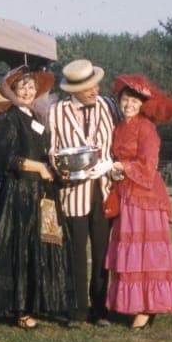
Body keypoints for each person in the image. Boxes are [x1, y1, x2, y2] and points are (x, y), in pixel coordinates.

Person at [0, 65, 75, 329]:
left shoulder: (37, 119)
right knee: (22, 249)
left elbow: (44, 154)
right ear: (12, 91)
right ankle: (21, 309)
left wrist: (56, 169)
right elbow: (7, 159)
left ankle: (39, 303)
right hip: (20, 194)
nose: (27, 91)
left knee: (44, 246)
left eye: (31, 87)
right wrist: (40, 168)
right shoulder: (6, 120)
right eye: (22, 87)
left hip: (43, 192)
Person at [104, 74, 172, 331]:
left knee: (145, 254)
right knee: (131, 254)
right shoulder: (120, 126)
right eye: (125, 99)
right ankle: (137, 305)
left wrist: (122, 166)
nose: (128, 104)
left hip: (145, 198)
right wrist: (117, 171)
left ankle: (148, 308)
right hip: (126, 195)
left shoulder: (146, 128)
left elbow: (148, 168)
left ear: (142, 105)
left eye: (134, 101)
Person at [48, 59, 120, 326]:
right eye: (88, 87)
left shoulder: (110, 106)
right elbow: (52, 151)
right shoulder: (56, 112)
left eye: (96, 84)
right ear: (73, 90)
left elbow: (119, 144)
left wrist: (110, 166)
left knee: (102, 252)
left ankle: (100, 309)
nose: (94, 90)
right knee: (75, 252)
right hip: (73, 192)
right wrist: (61, 170)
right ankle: (76, 310)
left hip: (103, 189)